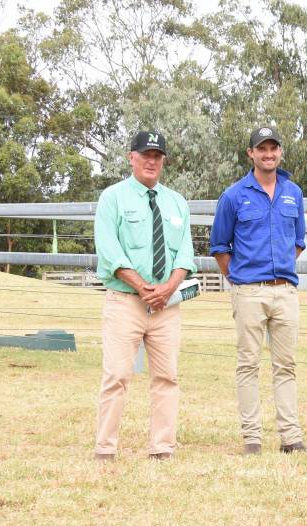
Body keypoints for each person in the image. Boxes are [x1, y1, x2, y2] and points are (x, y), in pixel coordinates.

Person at [93, 130, 197, 461]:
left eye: (158, 156)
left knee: (167, 377)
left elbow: (186, 254)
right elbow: (109, 251)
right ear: (131, 157)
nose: (152, 161)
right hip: (126, 301)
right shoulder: (112, 198)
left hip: (166, 305)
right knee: (117, 376)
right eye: (145, 154)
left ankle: (162, 449)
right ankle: (105, 449)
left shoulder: (177, 202)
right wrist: (142, 287)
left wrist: (168, 288)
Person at [210, 127, 307, 454]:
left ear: (281, 152)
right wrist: (239, 278)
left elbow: (298, 242)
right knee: (248, 364)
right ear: (250, 153)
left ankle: (291, 438)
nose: (268, 154)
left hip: (285, 291)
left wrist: (278, 267)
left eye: (273, 148)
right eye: (261, 149)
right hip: (249, 291)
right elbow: (220, 246)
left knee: (286, 365)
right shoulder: (233, 196)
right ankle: (252, 439)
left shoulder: (293, 192)